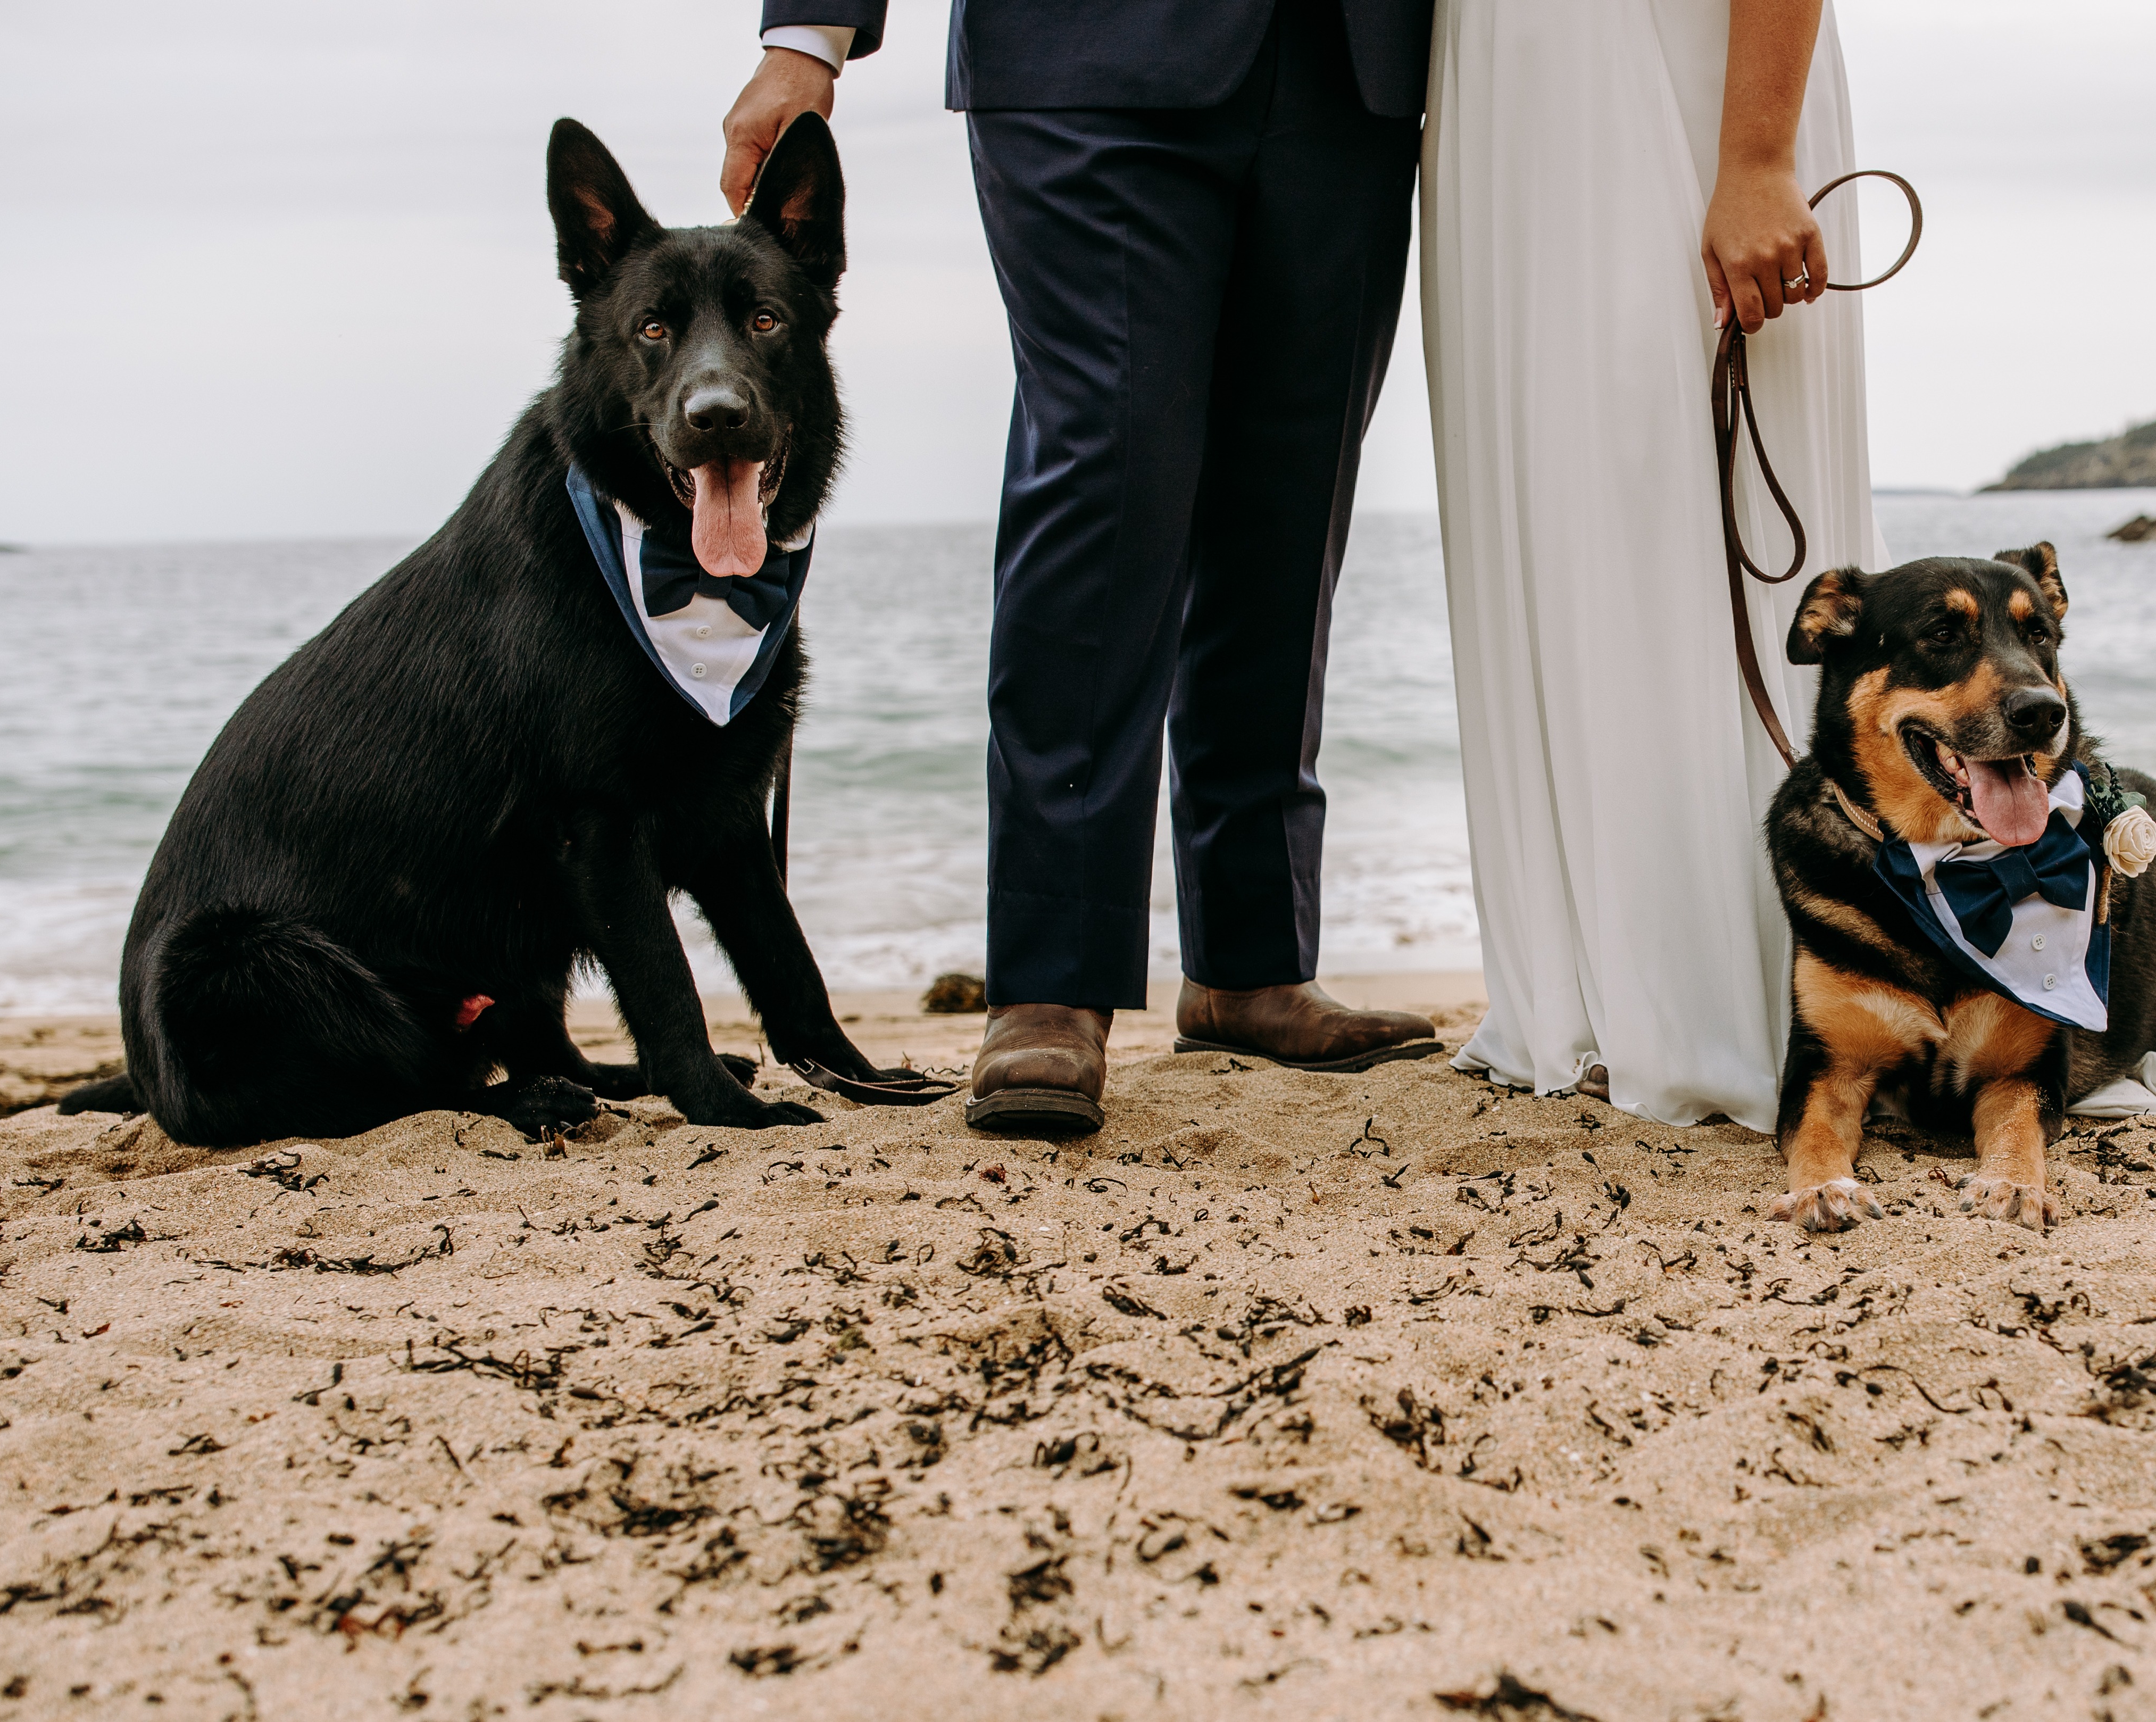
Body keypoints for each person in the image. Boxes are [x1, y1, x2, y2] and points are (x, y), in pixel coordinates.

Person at [721, 1, 1441, 1133]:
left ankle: (1249, 960)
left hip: (1351, 67)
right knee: (1107, 475)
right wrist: (806, 38)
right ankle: (1051, 979)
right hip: (1082, 59)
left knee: (1292, 501)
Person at [1420, 0, 1879, 1131]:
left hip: (1682, 84)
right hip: (1510, 93)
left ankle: (1762, 976)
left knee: (1668, 481)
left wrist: (1758, 157)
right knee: (1558, 505)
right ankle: (1580, 990)